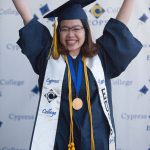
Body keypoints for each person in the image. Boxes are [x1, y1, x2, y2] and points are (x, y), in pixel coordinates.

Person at [12, 0, 142, 150]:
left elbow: (120, 25)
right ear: (57, 31)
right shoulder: (47, 56)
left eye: (76, 28)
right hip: (58, 140)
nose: (70, 34)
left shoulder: (102, 56)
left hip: (95, 139)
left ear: (85, 30)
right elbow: (27, 19)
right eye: (64, 29)